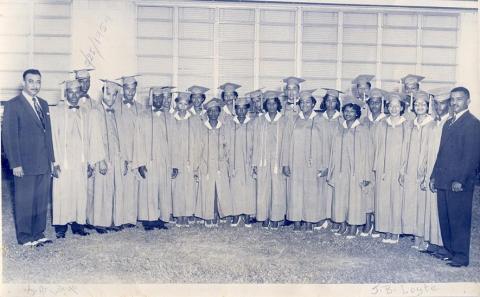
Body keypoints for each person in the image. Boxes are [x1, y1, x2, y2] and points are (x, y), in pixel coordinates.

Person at [2, 69, 55, 247]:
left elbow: (48, 136)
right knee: (25, 200)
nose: (35, 85)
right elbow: (9, 136)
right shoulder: (13, 104)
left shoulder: (44, 104)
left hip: (44, 162)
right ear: (23, 83)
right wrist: (15, 163)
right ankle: (25, 237)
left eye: (38, 82)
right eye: (31, 81)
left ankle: (38, 233)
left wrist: (52, 160)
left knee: (41, 200)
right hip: (24, 163)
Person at [429, 86, 480, 267]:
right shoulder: (449, 122)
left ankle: (461, 255)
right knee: (446, 217)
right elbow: (440, 154)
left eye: (459, 99)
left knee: (459, 218)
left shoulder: (472, 123)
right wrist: (434, 176)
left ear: (468, 101)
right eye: (452, 99)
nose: (454, 103)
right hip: (443, 179)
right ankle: (449, 250)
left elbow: (472, 156)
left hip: (458, 182)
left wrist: (461, 179)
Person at [50, 79, 105, 238]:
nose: (73, 95)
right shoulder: (56, 112)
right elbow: (52, 138)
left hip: (81, 160)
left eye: (77, 92)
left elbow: (93, 137)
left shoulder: (87, 113)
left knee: (80, 192)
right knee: (61, 191)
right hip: (63, 159)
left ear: (81, 93)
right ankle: (60, 226)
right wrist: (53, 162)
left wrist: (91, 162)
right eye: (70, 92)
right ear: (65, 93)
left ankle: (78, 224)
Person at [282, 90, 328, 232]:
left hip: (313, 163)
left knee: (311, 192)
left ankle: (309, 221)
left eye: (308, 102)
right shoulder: (293, 119)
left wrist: (324, 165)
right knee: (295, 192)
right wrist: (285, 163)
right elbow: (286, 142)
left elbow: (326, 143)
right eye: (302, 102)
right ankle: (296, 221)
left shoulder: (320, 120)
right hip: (295, 161)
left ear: (314, 104)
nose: (305, 104)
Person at [328, 95, 374, 239]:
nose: (348, 113)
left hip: (356, 171)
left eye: (352, 111)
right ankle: (342, 225)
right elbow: (333, 151)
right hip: (341, 170)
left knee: (354, 199)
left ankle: (353, 227)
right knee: (340, 198)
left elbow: (368, 154)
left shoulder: (362, 129)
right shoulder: (339, 129)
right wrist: (333, 170)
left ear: (357, 113)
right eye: (346, 111)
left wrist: (366, 175)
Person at [373, 92, 411, 244]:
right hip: (383, 167)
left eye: (397, 106)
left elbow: (409, 148)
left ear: (402, 107)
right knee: (383, 198)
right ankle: (386, 228)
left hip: (399, 167)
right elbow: (377, 146)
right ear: (387, 107)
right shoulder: (382, 124)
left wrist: (404, 168)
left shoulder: (407, 125)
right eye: (391, 106)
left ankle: (395, 231)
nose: (394, 109)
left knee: (396, 199)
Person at [132, 87, 172, 231]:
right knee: (149, 190)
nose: (158, 100)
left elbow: (173, 142)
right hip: (148, 160)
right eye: (155, 97)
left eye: (160, 97)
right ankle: (149, 220)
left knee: (163, 190)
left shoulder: (169, 117)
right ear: (151, 98)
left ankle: (161, 218)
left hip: (164, 160)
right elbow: (138, 140)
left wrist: (174, 164)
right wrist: (140, 163)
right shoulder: (142, 116)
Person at [418, 87, 450, 255]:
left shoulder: (450, 124)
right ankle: (432, 242)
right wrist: (423, 171)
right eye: (436, 104)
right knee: (429, 207)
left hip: (442, 173)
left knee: (441, 209)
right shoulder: (431, 124)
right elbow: (425, 150)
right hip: (430, 170)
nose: (439, 107)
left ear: (449, 105)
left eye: (442, 104)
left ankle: (443, 244)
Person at [400, 91, 434, 250]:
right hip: (410, 169)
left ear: (428, 106)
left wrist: (427, 173)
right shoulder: (410, 124)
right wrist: (402, 170)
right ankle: (415, 236)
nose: (419, 106)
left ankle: (424, 238)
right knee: (411, 203)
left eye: (423, 104)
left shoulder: (432, 124)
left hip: (424, 170)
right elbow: (405, 148)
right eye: (417, 104)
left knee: (423, 205)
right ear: (413, 107)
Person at [88, 79, 123, 233]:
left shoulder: (114, 113)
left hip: (114, 156)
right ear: (102, 93)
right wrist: (100, 160)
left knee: (113, 188)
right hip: (101, 157)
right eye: (108, 94)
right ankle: (99, 222)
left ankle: (110, 220)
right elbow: (95, 138)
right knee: (100, 189)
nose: (111, 98)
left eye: (115, 95)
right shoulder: (95, 112)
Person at [252, 91, 288, 230]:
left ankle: (276, 217)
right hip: (263, 160)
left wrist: (285, 162)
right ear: (265, 105)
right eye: (269, 103)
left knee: (278, 190)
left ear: (278, 104)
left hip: (278, 160)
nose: (271, 106)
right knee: (263, 189)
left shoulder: (284, 120)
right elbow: (255, 142)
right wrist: (255, 163)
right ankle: (264, 216)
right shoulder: (259, 120)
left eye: (274, 103)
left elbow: (286, 142)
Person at [196, 98, 233, 227]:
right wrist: (198, 166)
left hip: (220, 165)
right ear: (207, 112)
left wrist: (227, 163)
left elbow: (228, 147)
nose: (212, 113)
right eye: (210, 111)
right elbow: (198, 148)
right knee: (207, 191)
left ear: (219, 112)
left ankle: (217, 214)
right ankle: (208, 217)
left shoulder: (223, 128)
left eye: (215, 111)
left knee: (219, 191)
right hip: (205, 165)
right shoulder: (201, 128)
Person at [114, 75, 144, 228]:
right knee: (120, 187)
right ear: (122, 89)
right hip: (120, 151)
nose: (130, 92)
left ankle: (130, 218)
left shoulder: (140, 108)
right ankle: (119, 218)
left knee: (132, 187)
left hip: (135, 151)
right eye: (127, 89)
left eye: (133, 89)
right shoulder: (115, 107)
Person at [170, 92, 202, 227]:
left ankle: (188, 214)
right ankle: (179, 215)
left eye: (185, 104)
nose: (182, 107)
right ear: (176, 104)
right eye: (180, 104)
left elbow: (199, 141)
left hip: (190, 159)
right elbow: (169, 141)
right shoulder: (172, 119)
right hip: (176, 160)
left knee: (189, 188)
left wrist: (196, 161)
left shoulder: (194, 120)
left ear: (189, 105)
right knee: (177, 188)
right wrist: (172, 162)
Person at [224, 97, 256, 227]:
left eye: (244, 108)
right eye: (238, 108)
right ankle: (236, 214)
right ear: (235, 109)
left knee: (249, 187)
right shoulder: (230, 124)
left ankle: (248, 214)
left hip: (248, 160)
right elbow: (225, 143)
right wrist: (228, 160)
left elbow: (257, 143)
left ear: (247, 109)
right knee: (235, 187)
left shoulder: (253, 124)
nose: (241, 111)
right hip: (234, 161)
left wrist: (254, 161)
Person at [360, 88, 387, 237]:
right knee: (366, 191)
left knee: (379, 193)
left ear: (381, 104)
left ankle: (378, 224)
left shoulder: (386, 121)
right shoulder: (364, 121)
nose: (375, 105)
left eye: (378, 102)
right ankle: (367, 223)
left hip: (381, 161)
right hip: (365, 161)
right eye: (372, 102)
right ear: (368, 104)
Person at [317, 88, 343, 232]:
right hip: (321, 157)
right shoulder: (319, 118)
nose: (330, 103)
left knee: (335, 190)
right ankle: (322, 217)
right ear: (324, 102)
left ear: (337, 102)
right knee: (321, 189)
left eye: (334, 101)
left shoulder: (342, 119)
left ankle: (335, 218)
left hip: (337, 158)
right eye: (328, 100)